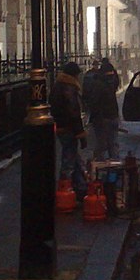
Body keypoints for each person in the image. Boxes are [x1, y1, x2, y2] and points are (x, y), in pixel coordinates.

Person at [49, 62, 89, 200]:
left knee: (75, 158)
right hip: (69, 128)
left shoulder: (58, 86)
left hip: (62, 127)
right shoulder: (69, 88)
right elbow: (73, 112)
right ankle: (64, 191)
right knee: (69, 160)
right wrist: (81, 134)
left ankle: (81, 187)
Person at [88, 61, 120, 160]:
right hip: (113, 116)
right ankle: (114, 165)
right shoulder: (113, 82)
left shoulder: (98, 84)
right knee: (113, 143)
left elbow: (94, 102)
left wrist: (93, 118)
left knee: (101, 143)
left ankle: (98, 166)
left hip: (102, 118)